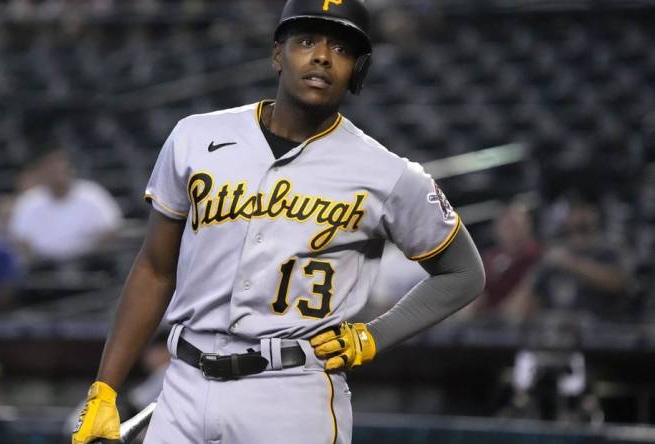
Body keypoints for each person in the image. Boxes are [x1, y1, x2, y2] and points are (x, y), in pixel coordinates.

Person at [72, 1, 485, 443]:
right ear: (277, 55)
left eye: (342, 49)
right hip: (183, 384)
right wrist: (106, 388)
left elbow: (464, 273)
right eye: (306, 41)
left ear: (357, 71)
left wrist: (373, 337)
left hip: (292, 392)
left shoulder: (388, 174)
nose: (323, 56)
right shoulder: (195, 136)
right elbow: (154, 268)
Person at [9, 147, 123, 263]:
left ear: (68, 168)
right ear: (40, 171)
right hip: (44, 268)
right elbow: (20, 240)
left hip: (90, 262)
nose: (54, 171)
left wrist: (86, 253)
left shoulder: (92, 194)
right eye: (49, 166)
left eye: (59, 164)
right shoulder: (28, 202)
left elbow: (111, 229)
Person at [471, 201, 541, 319]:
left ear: (527, 226)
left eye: (514, 225)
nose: (509, 231)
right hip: (488, 321)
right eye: (505, 226)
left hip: (521, 320)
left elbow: (526, 296)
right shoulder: (490, 257)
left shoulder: (536, 255)